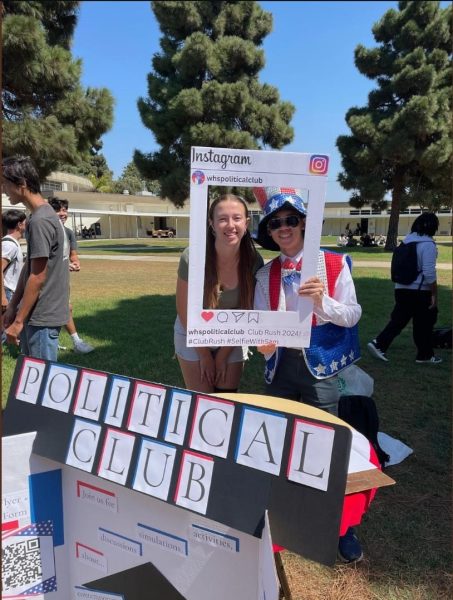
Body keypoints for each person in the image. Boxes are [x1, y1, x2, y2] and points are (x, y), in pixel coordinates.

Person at [252, 186, 364, 563]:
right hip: (281, 367)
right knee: (277, 441)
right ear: (268, 231)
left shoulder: (333, 263)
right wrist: (262, 346)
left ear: (303, 223)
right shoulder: (265, 274)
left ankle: (341, 526)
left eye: (290, 220)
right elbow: (260, 326)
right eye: (275, 223)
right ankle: (282, 517)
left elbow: (352, 315)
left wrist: (322, 303)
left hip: (321, 368)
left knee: (326, 445)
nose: (283, 228)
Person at [174, 194, 263, 394]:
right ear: (212, 224)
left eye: (237, 218)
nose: (230, 225)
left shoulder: (254, 261)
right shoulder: (193, 256)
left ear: (246, 223)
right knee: (203, 400)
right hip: (192, 333)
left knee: (227, 399)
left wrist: (222, 356)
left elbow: (245, 313)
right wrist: (205, 356)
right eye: (222, 219)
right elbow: (184, 310)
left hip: (231, 335)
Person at [2, 156, 69, 361]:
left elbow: (38, 277)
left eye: (5, 185)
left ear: (21, 184)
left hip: (43, 316)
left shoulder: (40, 221)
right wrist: (13, 307)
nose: (3, 191)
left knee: (41, 381)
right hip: (37, 313)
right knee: (33, 382)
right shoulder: (39, 216)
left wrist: (19, 321)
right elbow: (29, 267)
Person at [368, 212, 441, 364]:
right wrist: (434, 293)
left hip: (401, 287)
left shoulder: (407, 241)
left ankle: (380, 344)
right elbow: (429, 273)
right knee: (424, 324)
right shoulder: (428, 244)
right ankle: (424, 355)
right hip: (420, 291)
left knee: (399, 320)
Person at [49, 198, 94, 354]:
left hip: (61, 279)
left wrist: (75, 263)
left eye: (65, 210)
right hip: (47, 280)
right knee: (64, 308)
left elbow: (73, 255)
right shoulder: (47, 230)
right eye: (59, 210)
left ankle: (54, 341)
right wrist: (63, 265)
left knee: (65, 308)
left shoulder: (68, 232)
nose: (63, 214)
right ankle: (76, 342)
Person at [2, 210, 26, 344]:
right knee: (5, 330)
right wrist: (3, 297)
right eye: (25, 221)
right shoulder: (9, 244)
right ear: (19, 224)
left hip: (10, 291)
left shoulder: (13, 243)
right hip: (7, 291)